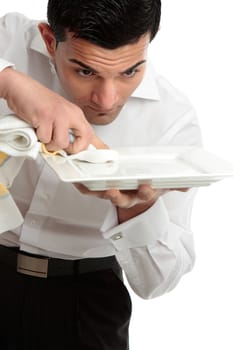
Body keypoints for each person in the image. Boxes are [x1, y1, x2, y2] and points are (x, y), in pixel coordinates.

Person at [0, 1, 202, 349]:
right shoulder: (11, 39)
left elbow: (158, 282)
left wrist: (137, 209)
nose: (107, 100)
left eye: (130, 72)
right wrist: (9, 81)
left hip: (85, 305)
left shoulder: (172, 121)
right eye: (85, 71)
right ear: (50, 41)